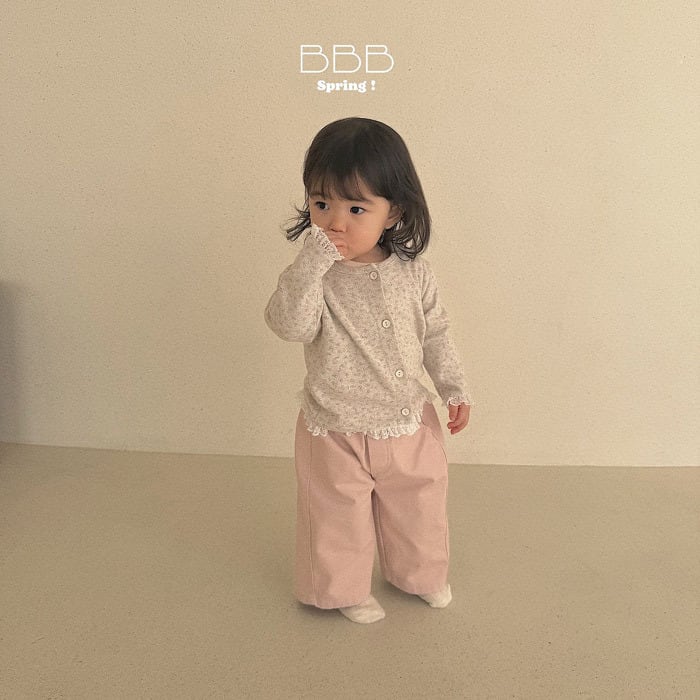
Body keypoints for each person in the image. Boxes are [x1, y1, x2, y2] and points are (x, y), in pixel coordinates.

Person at [264, 117, 473, 624]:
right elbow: (289, 325)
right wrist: (309, 266)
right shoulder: (313, 277)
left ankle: (420, 575)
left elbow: (436, 333)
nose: (335, 222)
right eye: (322, 204)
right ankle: (341, 591)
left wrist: (454, 388)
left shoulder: (413, 273)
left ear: (393, 211)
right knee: (337, 515)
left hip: (407, 421)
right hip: (334, 426)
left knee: (420, 506)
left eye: (356, 208)